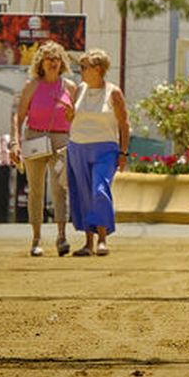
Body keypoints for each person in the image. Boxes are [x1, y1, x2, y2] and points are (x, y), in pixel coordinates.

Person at [9, 42, 75, 257]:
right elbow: (18, 116)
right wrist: (15, 142)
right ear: (41, 63)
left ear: (62, 62)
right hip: (35, 137)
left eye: (56, 58)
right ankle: (36, 239)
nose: (53, 62)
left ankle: (62, 236)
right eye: (48, 58)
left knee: (59, 188)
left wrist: (71, 115)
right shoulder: (32, 85)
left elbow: (77, 118)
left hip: (61, 140)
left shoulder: (70, 87)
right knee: (35, 190)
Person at [64, 49, 128, 257]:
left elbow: (124, 124)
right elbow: (72, 118)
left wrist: (123, 153)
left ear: (98, 69)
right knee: (83, 194)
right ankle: (88, 243)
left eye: (84, 67)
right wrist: (68, 114)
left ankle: (102, 239)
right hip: (78, 146)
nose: (80, 71)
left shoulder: (113, 92)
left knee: (99, 190)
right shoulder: (79, 89)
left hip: (105, 149)